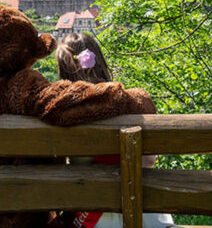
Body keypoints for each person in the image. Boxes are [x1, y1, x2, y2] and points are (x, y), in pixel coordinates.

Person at [56, 33, 175, 228]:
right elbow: (149, 161)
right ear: (100, 62)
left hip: (93, 219)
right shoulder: (131, 104)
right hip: (146, 218)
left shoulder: (59, 113)